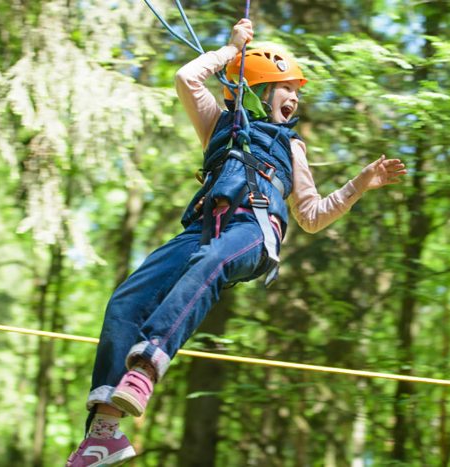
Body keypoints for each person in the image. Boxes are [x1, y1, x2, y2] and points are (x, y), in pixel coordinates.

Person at [66, 18, 406, 466]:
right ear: (260, 88)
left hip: (253, 231)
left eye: (297, 91)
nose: (296, 97)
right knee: (127, 300)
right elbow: (187, 77)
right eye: (287, 87)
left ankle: (147, 367)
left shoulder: (293, 147)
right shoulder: (218, 123)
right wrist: (230, 51)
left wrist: (358, 185)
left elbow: (312, 216)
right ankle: (103, 435)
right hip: (204, 228)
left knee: (212, 261)